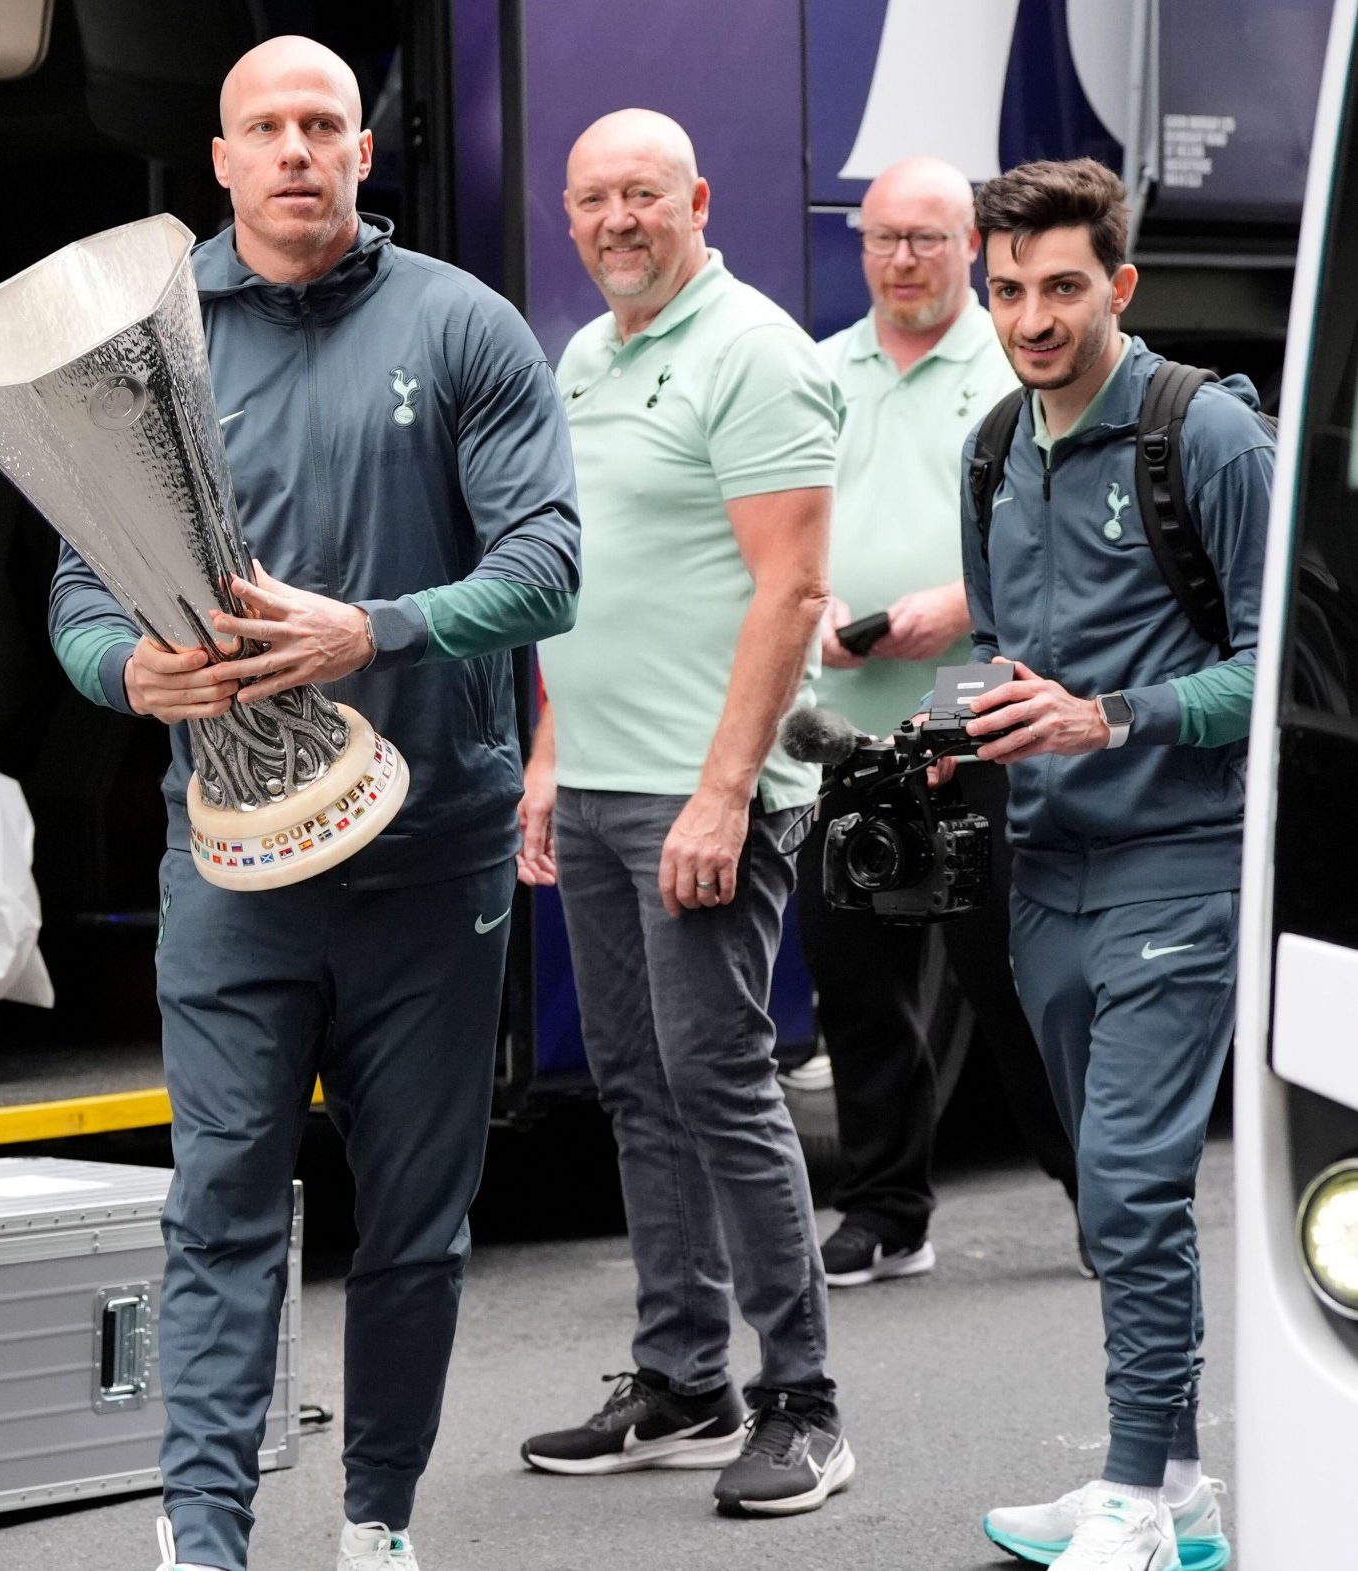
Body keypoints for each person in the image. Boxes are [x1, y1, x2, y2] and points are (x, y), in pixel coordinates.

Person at [49, 37, 580, 1571]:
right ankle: (202, 1531)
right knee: (219, 1199)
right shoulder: (153, 347)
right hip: (230, 861)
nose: (293, 149)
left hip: (435, 855)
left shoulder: (464, 326)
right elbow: (85, 587)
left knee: (413, 1224)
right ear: (217, 159)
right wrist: (120, 674)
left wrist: (380, 628)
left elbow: (547, 566)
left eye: (321, 125)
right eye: (263, 127)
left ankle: (378, 1520)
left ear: (365, 151)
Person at [516, 107, 851, 1516]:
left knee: (718, 1082)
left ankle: (805, 1402)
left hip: (705, 790)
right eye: (593, 200)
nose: (615, 221)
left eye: (641, 194)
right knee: (635, 1086)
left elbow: (791, 591)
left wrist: (724, 793)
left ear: (697, 198)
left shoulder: (756, 354)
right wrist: (548, 754)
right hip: (596, 783)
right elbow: (590, 583)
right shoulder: (586, 358)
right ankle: (683, 1378)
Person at [955, 158, 1265, 1571]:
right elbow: (1009, 660)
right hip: (1044, 875)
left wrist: (1111, 715)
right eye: (1008, 286)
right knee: (1104, 1192)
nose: (1033, 314)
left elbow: (1282, 669)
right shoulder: (987, 451)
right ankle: (1177, 1482)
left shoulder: (1205, 435)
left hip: (1179, 864)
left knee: (1135, 1185)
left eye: (1063, 286)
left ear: (1121, 285)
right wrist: (964, 728)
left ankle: (1134, 1489)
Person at [799, 155, 1077, 1290]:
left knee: (1001, 969)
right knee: (857, 972)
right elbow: (776, 520)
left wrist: (959, 603)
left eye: (924, 238)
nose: (900, 259)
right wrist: (804, 600)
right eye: (880, 238)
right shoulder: (815, 372)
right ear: (857, 244)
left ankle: (1094, 1194)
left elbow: (1063, 541)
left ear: (970, 244)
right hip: (854, 713)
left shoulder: (1016, 367)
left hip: (973, 694)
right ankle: (884, 1211)